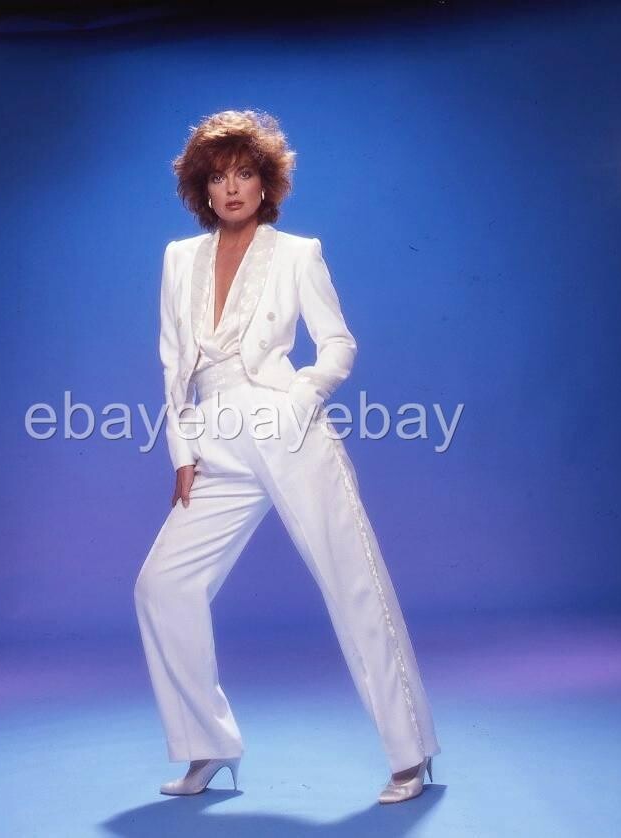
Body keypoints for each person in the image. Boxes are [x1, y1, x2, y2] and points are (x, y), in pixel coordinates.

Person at [133, 109, 440, 805]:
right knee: (162, 586)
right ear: (202, 189)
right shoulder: (178, 259)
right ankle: (208, 743)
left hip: (287, 428)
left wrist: (298, 399)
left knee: (351, 583)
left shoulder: (299, 253)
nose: (231, 188)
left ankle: (410, 752)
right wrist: (181, 450)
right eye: (218, 177)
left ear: (265, 184)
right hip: (213, 437)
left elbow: (339, 345)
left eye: (244, 174)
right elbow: (172, 362)